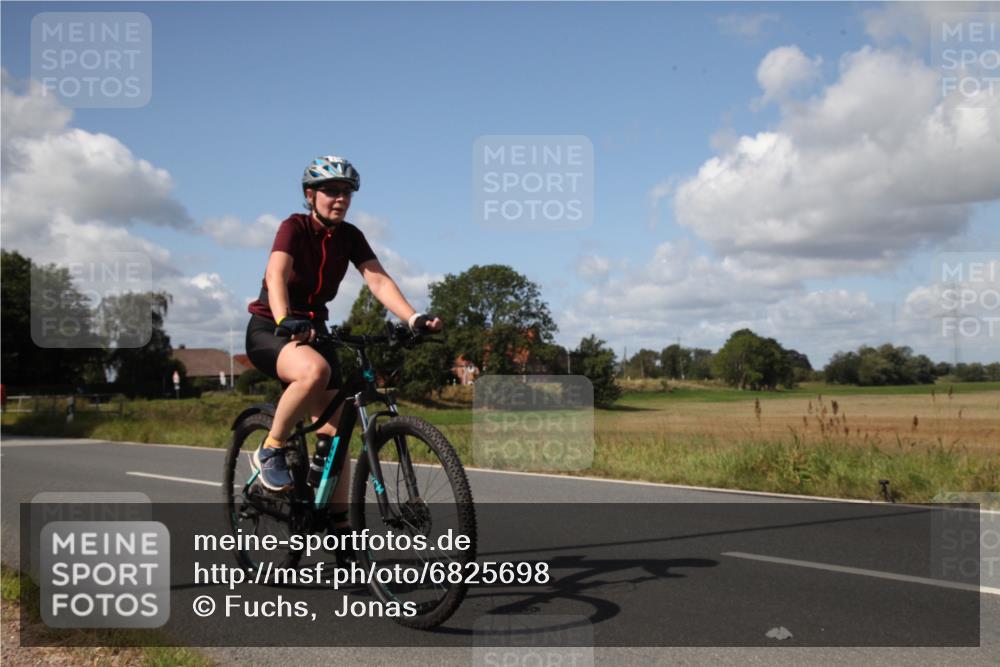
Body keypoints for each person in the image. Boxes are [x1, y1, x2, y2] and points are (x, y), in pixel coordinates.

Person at [244, 156, 441, 530]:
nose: (340, 199)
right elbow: (277, 274)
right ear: (310, 195)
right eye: (331, 191)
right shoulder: (294, 227)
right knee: (313, 371)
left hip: (317, 331)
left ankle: (340, 534)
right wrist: (286, 319)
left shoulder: (349, 236)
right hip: (271, 327)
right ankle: (271, 448)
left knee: (335, 439)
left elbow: (378, 280)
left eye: (346, 192)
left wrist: (412, 318)